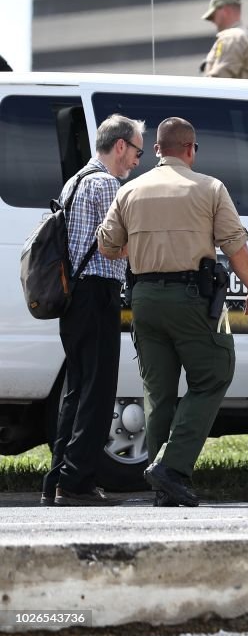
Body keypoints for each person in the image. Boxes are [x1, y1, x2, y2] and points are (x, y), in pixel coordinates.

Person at [97, 117, 248, 507]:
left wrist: (141, 249)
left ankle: (165, 487)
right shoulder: (210, 188)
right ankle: (170, 467)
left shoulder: (129, 190)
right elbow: (234, 245)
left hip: (144, 299)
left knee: (158, 392)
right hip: (191, 298)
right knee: (214, 373)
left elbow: (107, 246)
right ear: (190, 150)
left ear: (156, 150)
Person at [41, 114, 145, 507]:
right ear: (120, 146)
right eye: (136, 150)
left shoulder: (76, 180)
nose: (137, 159)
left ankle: (58, 480)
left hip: (75, 296)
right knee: (98, 393)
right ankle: (77, 483)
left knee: (77, 390)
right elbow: (113, 245)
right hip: (98, 293)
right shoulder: (106, 185)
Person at [201, 0, 248, 79]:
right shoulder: (242, 35)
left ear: (225, 11)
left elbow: (219, 78)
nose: (213, 21)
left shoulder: (232, 37)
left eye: (213, 16)